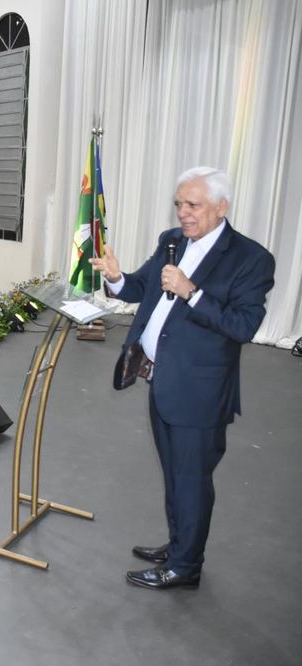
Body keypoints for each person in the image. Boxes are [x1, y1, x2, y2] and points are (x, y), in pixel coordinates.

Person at [90, 166, 275, 591]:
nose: (183, 214)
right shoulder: (171, 242)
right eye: (179, 204)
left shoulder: (251, 259)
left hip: (200, 393)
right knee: (174, 473)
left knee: (191, 480)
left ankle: (185, 567)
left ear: (221, 207)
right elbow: (143, 288)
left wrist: (193, 292)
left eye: (193, 205)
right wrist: (117, 277)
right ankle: (179, 545)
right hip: (162, 381)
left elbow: (243, 326)